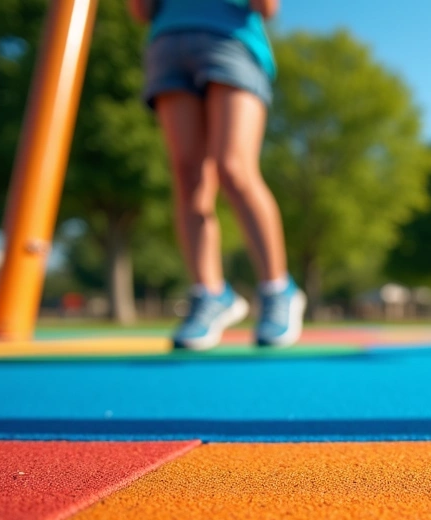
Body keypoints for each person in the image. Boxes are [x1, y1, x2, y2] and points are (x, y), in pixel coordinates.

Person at [128, 0, 306, 350]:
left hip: (229, 38)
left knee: (233, 167)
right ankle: (210, 294)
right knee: (188, 176)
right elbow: (141, 11)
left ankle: (277, 288)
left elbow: (267, 7)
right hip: (167, 42)